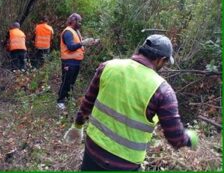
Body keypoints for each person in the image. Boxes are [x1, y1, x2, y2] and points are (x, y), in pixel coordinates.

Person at [63, 35, 199, 171]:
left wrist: (77, 125)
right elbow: (175, 138)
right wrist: (191, 139)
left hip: (93, 151)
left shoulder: (108, 67)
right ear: (161, 60)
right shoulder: (163, 91)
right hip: (125, 164)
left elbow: (88, 101)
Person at [57, 13, 98, 109]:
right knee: (66, 82)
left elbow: (79, 45)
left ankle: (67, 99)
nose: (80, 23)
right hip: (68, 62)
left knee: (71, 82)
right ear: (73, 21)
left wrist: (91, 42)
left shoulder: (75, 31)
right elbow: (71, 47)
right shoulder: (68, 32)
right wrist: (83, 42)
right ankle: (60, 101)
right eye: (79, 21)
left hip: (76, 62)